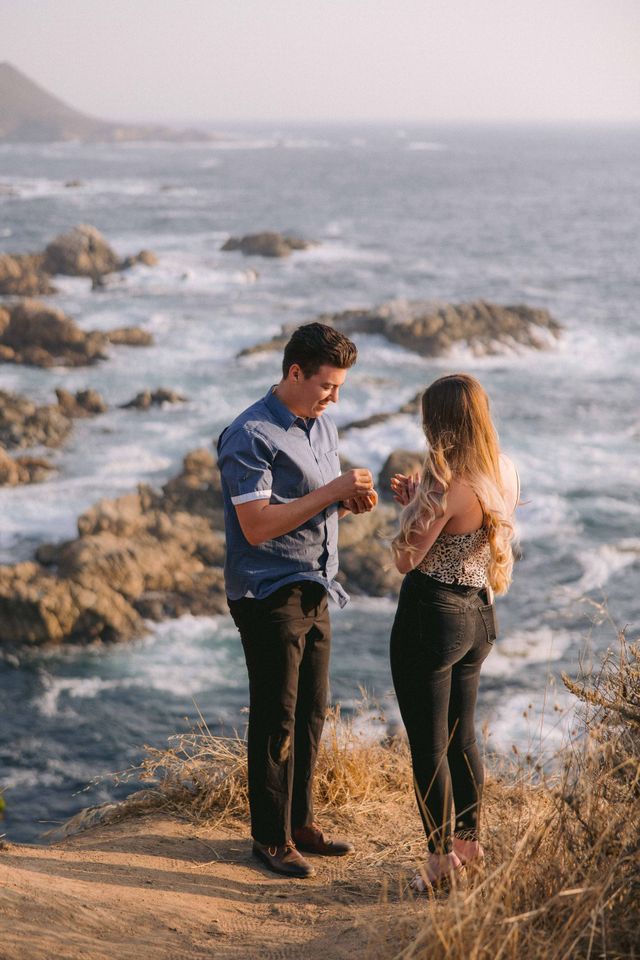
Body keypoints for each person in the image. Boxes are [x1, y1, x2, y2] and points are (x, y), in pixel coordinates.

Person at [217, 322, 377, 879]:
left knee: (310, 712)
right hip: (267, 590)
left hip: (316, 585)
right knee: (276, 717)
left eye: (339, 388)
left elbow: (308, 502)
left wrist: (346, 503)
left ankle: (301, 824)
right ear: (294, 372)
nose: (335, 397)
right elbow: (257, 526)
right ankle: (269, 838)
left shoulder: (321, 424)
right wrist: (332, 491)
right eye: (327, 386)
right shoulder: (249, 435)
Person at [389, 373, 519, 891]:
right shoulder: (503, 470)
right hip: (479, 616)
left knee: (428, 746)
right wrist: (421, 500)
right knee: (462, 737)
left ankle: (441, 863)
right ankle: (469, 844)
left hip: (432, 619)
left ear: (438, 422)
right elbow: (459, 525)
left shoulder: (446, 481)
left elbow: (406, 558)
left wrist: (414, 507)